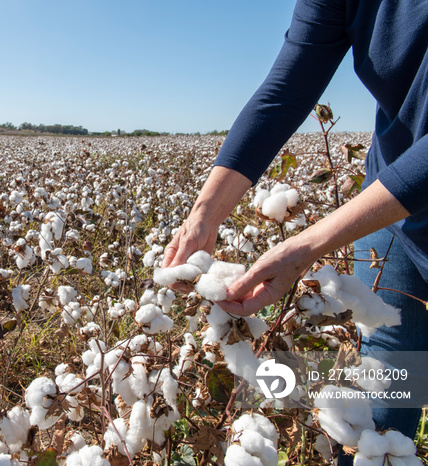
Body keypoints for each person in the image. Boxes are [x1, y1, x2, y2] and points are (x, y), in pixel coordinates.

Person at [162, 0, 428, 463]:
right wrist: (203, 214)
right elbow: (285, 91)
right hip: (394, 214)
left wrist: (308, 244)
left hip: (401, 193)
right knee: (386, 388)